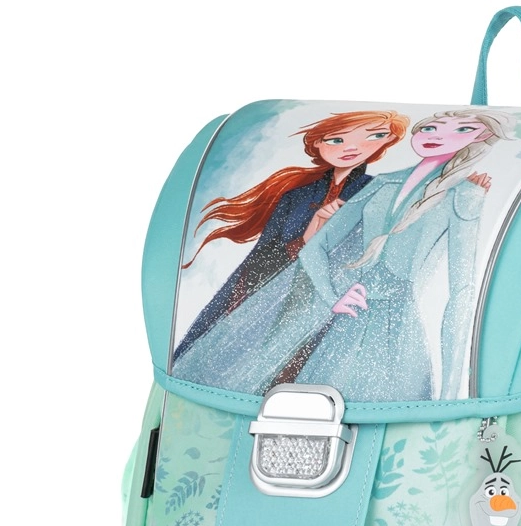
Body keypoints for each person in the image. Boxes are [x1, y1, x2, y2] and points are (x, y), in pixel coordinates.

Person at [173, 109, 515, 402]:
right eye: (429, 127)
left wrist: (454, 390)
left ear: (482, 137)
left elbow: (463, 291)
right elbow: (315, 248)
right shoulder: (379, 183)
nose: (437, 135)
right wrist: (332, 294)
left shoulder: (465, 195)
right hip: (338, 308)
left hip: (394, 325)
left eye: (463, 129)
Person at [172, 110, 409, 362]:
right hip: (275, 297)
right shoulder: (295, 197)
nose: (352, 147)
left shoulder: (378, 191)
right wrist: (306, 238)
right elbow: (261, 257)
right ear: (317, 143)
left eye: (374, 136)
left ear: (387, 140)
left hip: (338, 299)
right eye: (336, 140)